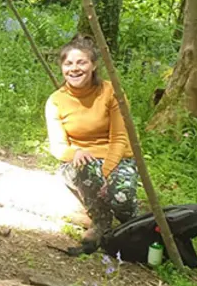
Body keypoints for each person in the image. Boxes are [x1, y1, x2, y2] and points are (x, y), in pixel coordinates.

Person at [45, 34, 138, 247]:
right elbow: (58, 147)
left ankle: (132, 221)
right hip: (79, 162)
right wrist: (75, 153)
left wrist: (106, 173)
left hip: (117, 158)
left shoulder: (112, 92)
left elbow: (120, 139)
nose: (74, 69)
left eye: (81, 62)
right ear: (62, 68)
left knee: (121, 198)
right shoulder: (56, 101)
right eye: (68, 63)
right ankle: (101, 222)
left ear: (93, 65)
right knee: (85, 167)